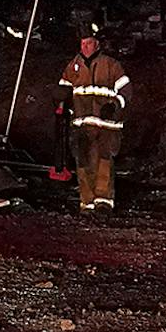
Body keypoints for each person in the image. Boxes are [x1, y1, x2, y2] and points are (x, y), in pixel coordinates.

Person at [57, 27, 130, 212]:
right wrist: (61, 100)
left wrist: (114, 106)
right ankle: (87, 202)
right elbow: (64, 88)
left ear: (97, 44)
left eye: (88, 43)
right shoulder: (74, 66)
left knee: (104, 161)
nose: (85, 47)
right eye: (82, 44)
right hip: (82, 122)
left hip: (106, 124)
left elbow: (126, 91)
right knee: (83, 162)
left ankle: (103, 201)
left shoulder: (111, 65)